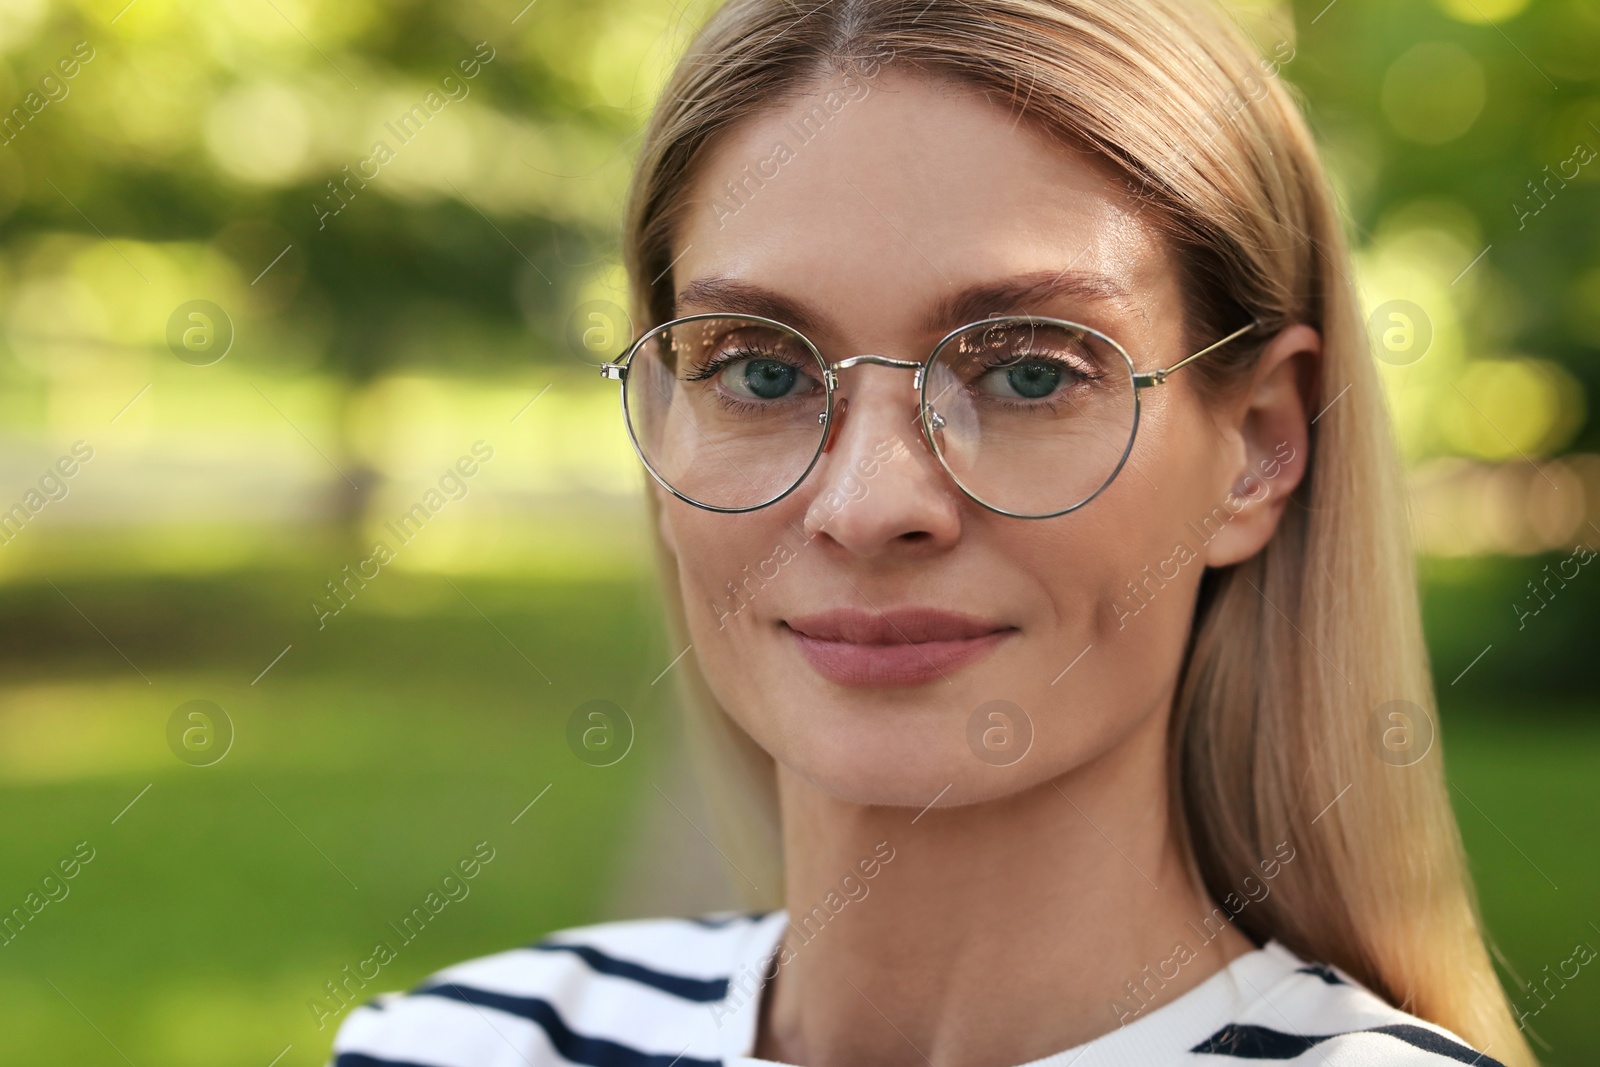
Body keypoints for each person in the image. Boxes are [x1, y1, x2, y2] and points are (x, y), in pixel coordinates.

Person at [328, 0, 1537, 1064]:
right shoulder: (463, 1044)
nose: (866, 504)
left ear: (1259, 443)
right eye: (754, 370)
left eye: (1025, 373)